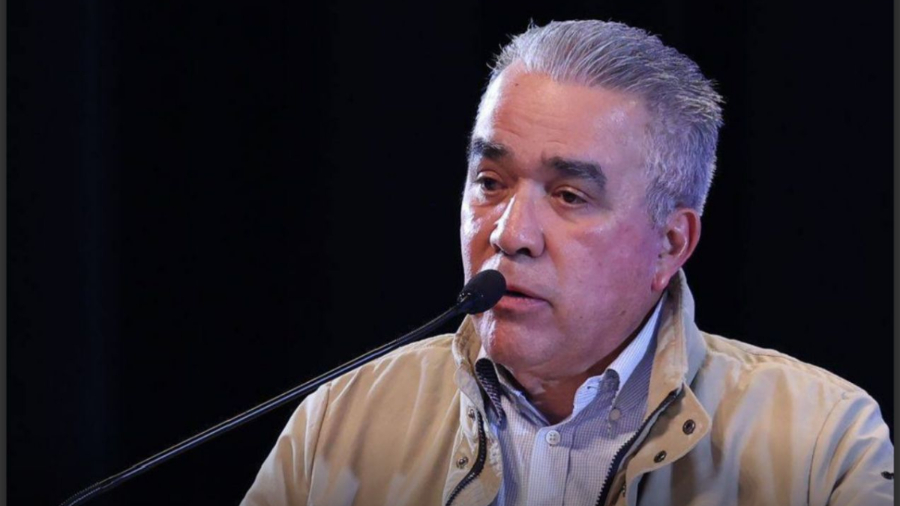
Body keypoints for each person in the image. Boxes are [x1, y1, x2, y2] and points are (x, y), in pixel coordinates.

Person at [241, 20, 893, 506]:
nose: (510, 234)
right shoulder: (338, 427)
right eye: (490, 182)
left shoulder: (822, 444)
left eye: (569, 196)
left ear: (670, 244)